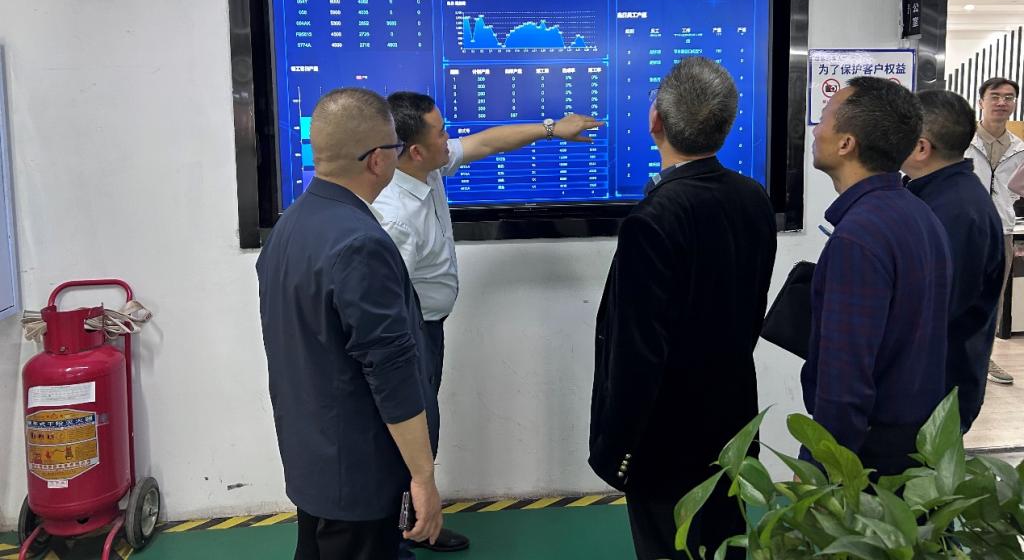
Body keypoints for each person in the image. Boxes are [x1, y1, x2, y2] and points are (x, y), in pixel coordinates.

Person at [372, 92, 602, 554]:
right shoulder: (394, 218)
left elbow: (487, 143)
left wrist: (552, 129)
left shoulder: (426, 167)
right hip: (409, 336)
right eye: (441, 132)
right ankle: (393, 538)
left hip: (429, 328)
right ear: (414, 150)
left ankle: (416, 524)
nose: (449, 138)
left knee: (424, 428)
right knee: (408, 433)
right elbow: (384, 309)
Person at [588, 57, 777, 560]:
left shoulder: (653, 219)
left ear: (656, 121)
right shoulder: (754, 198)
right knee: (725, 544)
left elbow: (637, 355)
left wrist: (617, 451)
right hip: (732, 423)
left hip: (666, 443)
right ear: (727, 124)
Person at [257, 88, 443, 560]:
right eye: (396, 148)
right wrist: (423, 477)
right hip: (361, 473)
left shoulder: (290, 225)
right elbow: (391, 373)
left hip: (314, 458)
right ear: (378, 159)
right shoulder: (361, 243)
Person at [804, 77, 951, 475]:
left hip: (865, 462)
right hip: (911, 447)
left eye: (824, 118)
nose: (815, 131)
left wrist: (825, 471)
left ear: (846, 143)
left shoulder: (858, 236)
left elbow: (845, 380)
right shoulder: (919, 214)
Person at [902, 90, 1005, 432]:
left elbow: (933, 311)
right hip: (922, 387)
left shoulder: (956, 212)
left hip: (933, 396)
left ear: (921, 148)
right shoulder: (933, 194)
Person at [968, 77, 1024, 385]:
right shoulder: (962, 140)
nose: (1002, 102)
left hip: (1002, 229)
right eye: (995, 96)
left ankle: (983, 358)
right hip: (964, 229)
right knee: (956, 291)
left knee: (993, 297)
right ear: (981, 101)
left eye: (1009, 97)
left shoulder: (1020, 148)